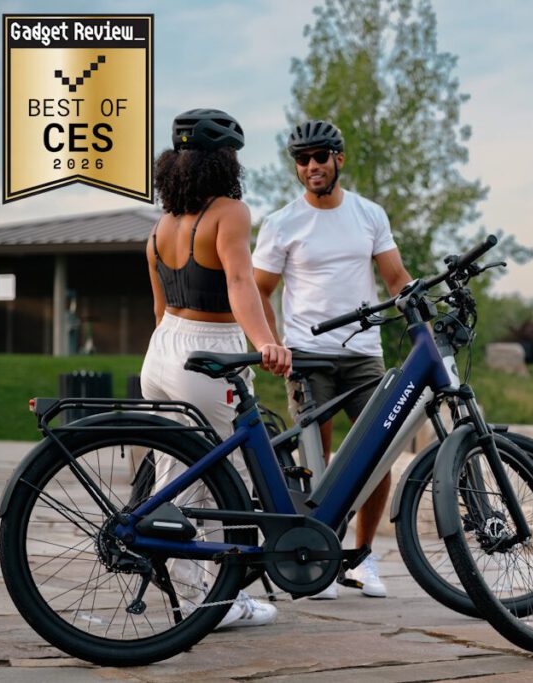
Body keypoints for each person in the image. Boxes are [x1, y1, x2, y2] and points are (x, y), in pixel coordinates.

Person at [142, 108, 292, 627]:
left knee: (174, 475)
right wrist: (266, 342)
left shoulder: (161, 226)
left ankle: (191, 592)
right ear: (223, 162)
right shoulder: (230, 212)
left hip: (162, 350)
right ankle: (210, 601)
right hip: (208, 349)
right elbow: (240, 282)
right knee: (215, 482)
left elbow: (159, 308)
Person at [253, 120, 412, 599]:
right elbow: (259, 291)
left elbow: (396, 278)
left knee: (378, 454)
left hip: (363, 354)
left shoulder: (369, 214)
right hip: (307, 355)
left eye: (319, 157)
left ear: (338, 159)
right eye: (302, 160)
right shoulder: (281, 223)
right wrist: (273, 343)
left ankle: (362, 559)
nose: (311, 167)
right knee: (316, 463)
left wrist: (422, 311)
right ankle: (321, 557)